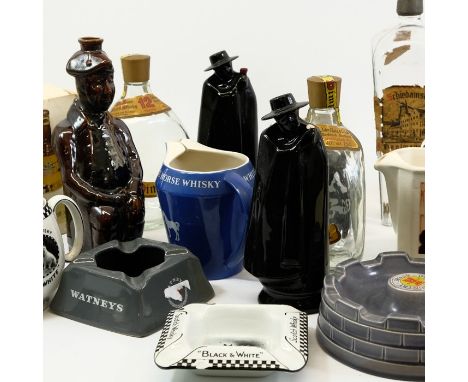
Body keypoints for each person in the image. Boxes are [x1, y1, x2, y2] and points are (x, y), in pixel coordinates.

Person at [53, 37, 144, 251]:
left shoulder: (118, 125)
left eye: (110, 80)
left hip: (121, 194)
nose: (107, 89)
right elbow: (71, 179)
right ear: (82, 86)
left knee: (135, 206)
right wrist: (107, 198)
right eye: (98, 83)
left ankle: (134, 260)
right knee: (105, 216)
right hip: (94, 201)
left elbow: (133, 159)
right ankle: (100, 270)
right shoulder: (67, 132)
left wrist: (131, 189)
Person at [244, 93, 328, 313]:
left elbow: (317, 172)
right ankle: (275, 284)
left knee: (306, 245)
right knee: (273, 246)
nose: (287, 120)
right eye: (282, 117)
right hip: (275, 208)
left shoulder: (311, 135)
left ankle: (306, 285)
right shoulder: (269, 138)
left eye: (290, 115)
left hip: (306, 206)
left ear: (296, 112)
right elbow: (263, 179)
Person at [198, 50, 258, 166]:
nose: (227, 69)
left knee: (240, 152)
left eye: (227, 66)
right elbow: (212, 110)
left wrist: (245, 88)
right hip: (219, 131)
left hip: (239, 127)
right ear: (215, 70)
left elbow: (250, 101)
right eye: (222, 68)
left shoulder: (240, 78)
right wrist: (235, 89)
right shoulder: (210, 84)